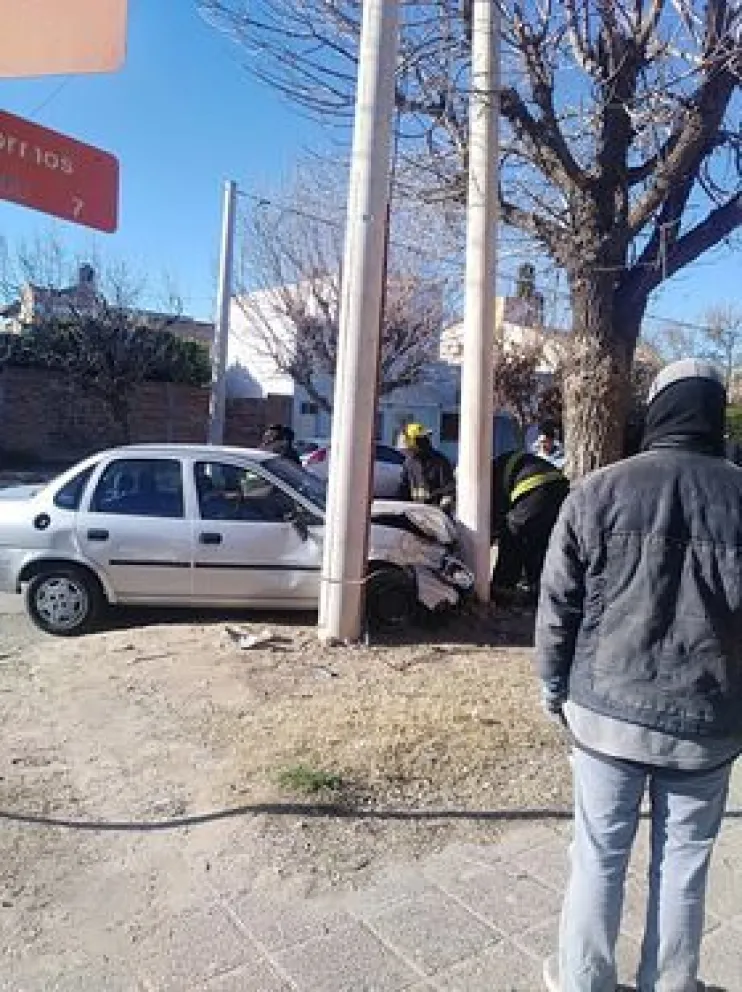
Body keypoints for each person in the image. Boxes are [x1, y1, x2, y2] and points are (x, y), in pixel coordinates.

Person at [536, 359, 742, 992]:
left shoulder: (597, 490)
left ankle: (582, 981)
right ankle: (670, 984)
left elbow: (557, 603)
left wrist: (553, 688)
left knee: (597, 857)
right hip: (707, 721)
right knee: (683, 866)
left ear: (658, 410)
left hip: (605, 714)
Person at [490, 448, 569, 605]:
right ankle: (538, 590)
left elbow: (497, 513)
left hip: (535, 488)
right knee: (540, 541)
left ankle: (502, 590)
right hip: (560, 486)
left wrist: (493, 533)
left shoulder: (488, 478)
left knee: (512, 537)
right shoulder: (499, 464)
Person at [398, 422, 455, 512]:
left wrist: (442, 510)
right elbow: (403, 490)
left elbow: (449, 491)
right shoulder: (409, 463)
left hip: (435, 515)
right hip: (414, 514)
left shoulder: (440, 462)